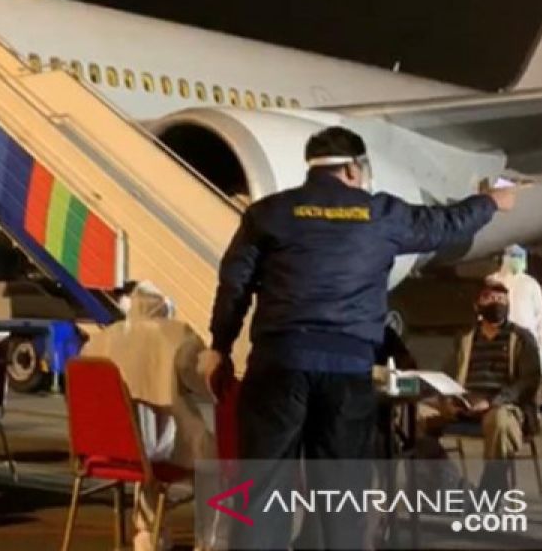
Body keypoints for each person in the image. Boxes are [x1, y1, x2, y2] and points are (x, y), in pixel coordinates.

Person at [204, 126, 514, 550]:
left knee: (262, 492)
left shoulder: (269, 213)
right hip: (347, 371)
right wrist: (490, 201)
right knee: (341, 496)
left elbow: (234, 284)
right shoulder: (381, 214)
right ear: (353, 168)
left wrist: (220, 347)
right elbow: (445, 225)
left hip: (278, 365)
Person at [82, 282, 211, 551]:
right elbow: (201, 381)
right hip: (161, 448)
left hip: (107, 449)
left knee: (144, 447)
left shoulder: (101, 340)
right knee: (213, 455)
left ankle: (148, 533)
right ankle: (210, 539)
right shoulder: (178, 335)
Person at [421, 280, 542, 492]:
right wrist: (449, 399)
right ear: (477, 305)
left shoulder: (520, 338)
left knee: (501, 423)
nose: (496, 303)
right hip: (464, 403)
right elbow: (448, 375)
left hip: (501, 406)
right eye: (490, 298)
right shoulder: (466, 338)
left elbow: (528, 381)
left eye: (501, 299)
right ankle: (448, 482)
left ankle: (491, 489)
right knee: (414, 416)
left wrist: (491, 402)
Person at [488, 244, 542, 375]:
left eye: (519, 257)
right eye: (513, 257)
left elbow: (540, 314)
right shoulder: (493, 281)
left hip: (526, 337)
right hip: (500, 336)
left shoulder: (531, 283)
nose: (517, 260)